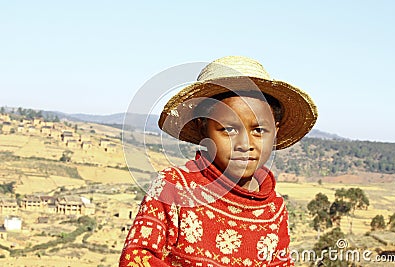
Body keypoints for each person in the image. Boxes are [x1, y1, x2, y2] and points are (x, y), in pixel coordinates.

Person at [119, 56, 318, 266]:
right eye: (229, 130)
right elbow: (136, 258)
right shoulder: (173, 188)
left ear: (275, 131)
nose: (245, 143)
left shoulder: (274, 210)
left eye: (259, 130)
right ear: (202, 127)